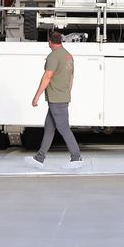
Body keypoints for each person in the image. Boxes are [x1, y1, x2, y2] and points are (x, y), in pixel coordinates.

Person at [27, 31, 83, 169]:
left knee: (64, 128)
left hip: (56, 99)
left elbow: (47, 77)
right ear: (61, 41)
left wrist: (37, 96)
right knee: (49, 128)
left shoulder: (53, 56)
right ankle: (39, 158)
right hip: (61, 96)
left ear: (50, 42)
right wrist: (67, 92)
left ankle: (76, 157)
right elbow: (71, 77)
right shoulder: (68, 55)